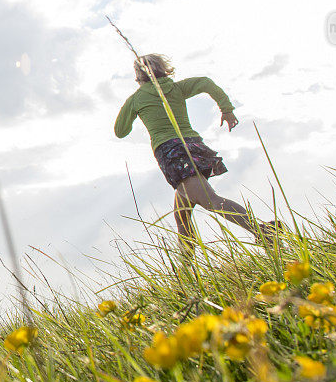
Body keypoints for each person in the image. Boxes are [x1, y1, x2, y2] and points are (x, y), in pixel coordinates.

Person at [114, 53, 276, 252]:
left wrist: (133, 108)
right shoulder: (176, 88)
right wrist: (226, 109)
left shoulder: (136, 99)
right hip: (194, 147)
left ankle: (263, 231)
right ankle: (187, 273)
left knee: (211, 201)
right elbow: (205, 82)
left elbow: (120, 131)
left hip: (172, 153)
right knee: (182, 215)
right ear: (163, 69)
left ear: (138, 75)